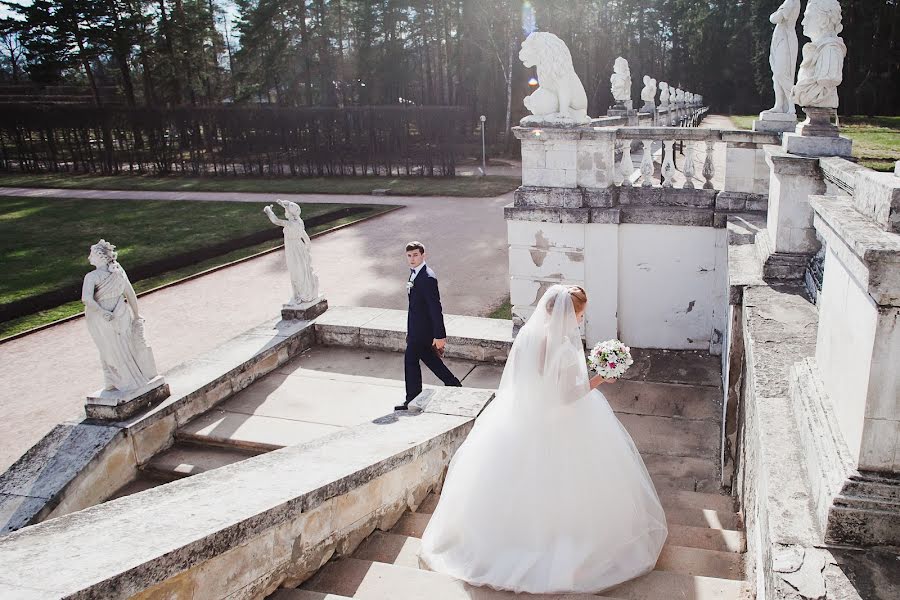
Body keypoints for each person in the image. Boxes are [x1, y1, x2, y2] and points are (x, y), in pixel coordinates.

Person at [419, 285, 667, 593]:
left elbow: (529, 382)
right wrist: (601, 377)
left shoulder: (528, 337)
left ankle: (508, 538)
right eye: (579, 314)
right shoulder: (561, 347)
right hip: (561, 421)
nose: (580, 320)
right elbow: (567, 396)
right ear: (566, 313)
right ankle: (555, 542)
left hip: (523, 418)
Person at [82, 239, 159, 392]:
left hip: (104, 317)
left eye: (91, 254)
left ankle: (120, 380)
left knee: (110, 349)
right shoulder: (118, 270)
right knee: (120, 347)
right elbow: (130, 294)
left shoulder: (92, 276)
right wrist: (136, 314)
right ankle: (121, 379)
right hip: (119, 312)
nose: (89, 258)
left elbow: (86, 299)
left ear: (101, 256)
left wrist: (103, 313)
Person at [397, 241, 461, 411]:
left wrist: (439, 335)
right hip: (417, 330)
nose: (412, 259)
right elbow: (415, 308)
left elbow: (435, 307)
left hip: (424, 332)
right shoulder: (415, 274)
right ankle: (453, 384)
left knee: (410, 361)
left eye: (415, 255)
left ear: (423, 255)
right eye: (409, 256)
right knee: (430, 360)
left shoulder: (427, 277)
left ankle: (412, 399)